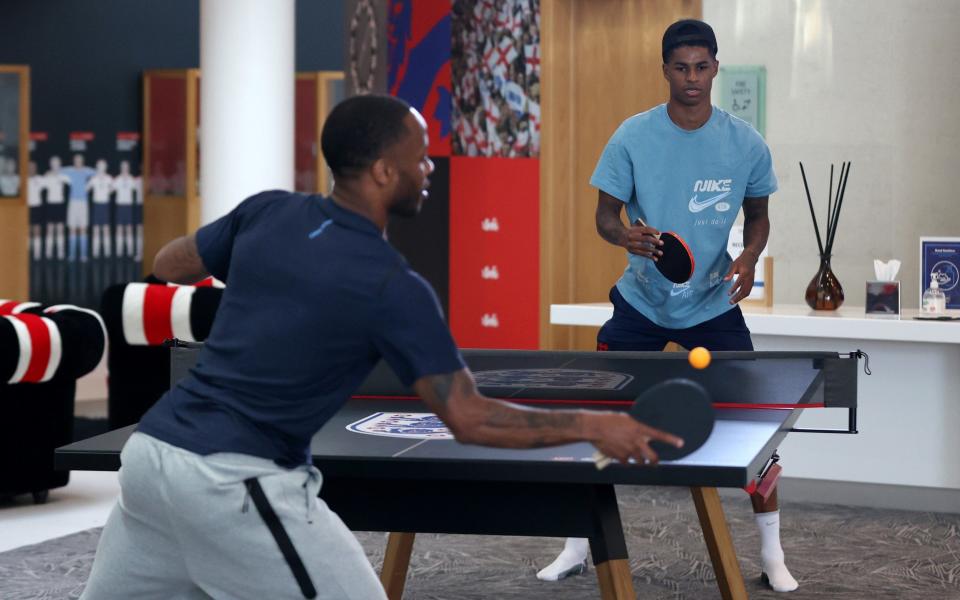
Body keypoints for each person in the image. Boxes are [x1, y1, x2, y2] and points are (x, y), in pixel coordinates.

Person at [80, 94, 683, 600]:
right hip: (235, 480)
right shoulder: (392, 285)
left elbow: (168, 263)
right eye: (421, 158)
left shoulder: (265, 212)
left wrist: (267, 278)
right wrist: (594, 426)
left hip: (151, 460)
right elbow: (470, 419)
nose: (430, 169)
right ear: (382, 173)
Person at [535, 19, 798, 593]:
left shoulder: (745, 143)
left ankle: (773, 553)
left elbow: (759, 216)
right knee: (597, 417)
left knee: (759, 429)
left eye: (702, 67)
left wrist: (750, 257)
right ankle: (577, 546)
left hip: (713, 305)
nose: (692, 79)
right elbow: (606, 217)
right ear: (665, 71)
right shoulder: (632, 136)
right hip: (642, 305)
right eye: (681, 68)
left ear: (715, 68)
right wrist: (623, 233)